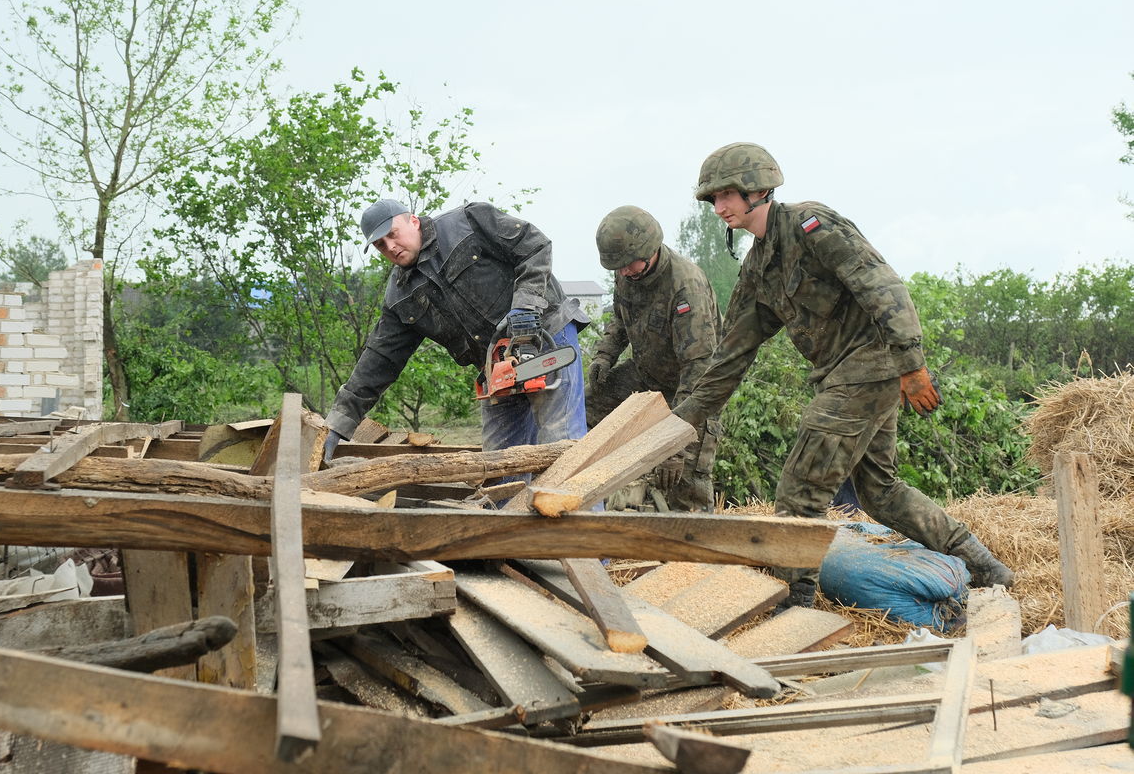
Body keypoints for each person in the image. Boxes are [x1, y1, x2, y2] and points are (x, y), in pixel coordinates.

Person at [672, 142, 1013, 608]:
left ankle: (797, 605)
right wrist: (684, 417)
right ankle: (985, 567)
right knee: (881, 492)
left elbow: (881, 284)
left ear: (759, 189)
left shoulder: (812, 224)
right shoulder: (757, 267)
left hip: (869, 367)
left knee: (799, 494)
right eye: (712, 199)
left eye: (726, 195)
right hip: (843, 376)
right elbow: (732, 353)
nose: (719, 207)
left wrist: (911, 363)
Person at [323, 199, 589, 459]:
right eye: (381, 245)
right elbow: (380, 359)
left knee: (561, 441)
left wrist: (525, 306)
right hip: (496, 365)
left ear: (413, 221)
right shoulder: (400, 296)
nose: (391, 247)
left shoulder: (468, 221)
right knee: (498, 464)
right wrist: (340, 422)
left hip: (547, 335)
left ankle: (575, 502)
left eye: (393, 234)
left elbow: (534, 246)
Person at [586, 205, 723, 511]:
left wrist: (673, 445)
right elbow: (620, 321)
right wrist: (605, 355)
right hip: (646, 375)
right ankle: (605, 501)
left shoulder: (687, 287)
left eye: (628, 265)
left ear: (650, 251)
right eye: (617, 267)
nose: (622, 272)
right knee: (587, 412)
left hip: (694, 390)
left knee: (683, 481)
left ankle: (694, 546)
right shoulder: (626, 275)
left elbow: (699, 370)